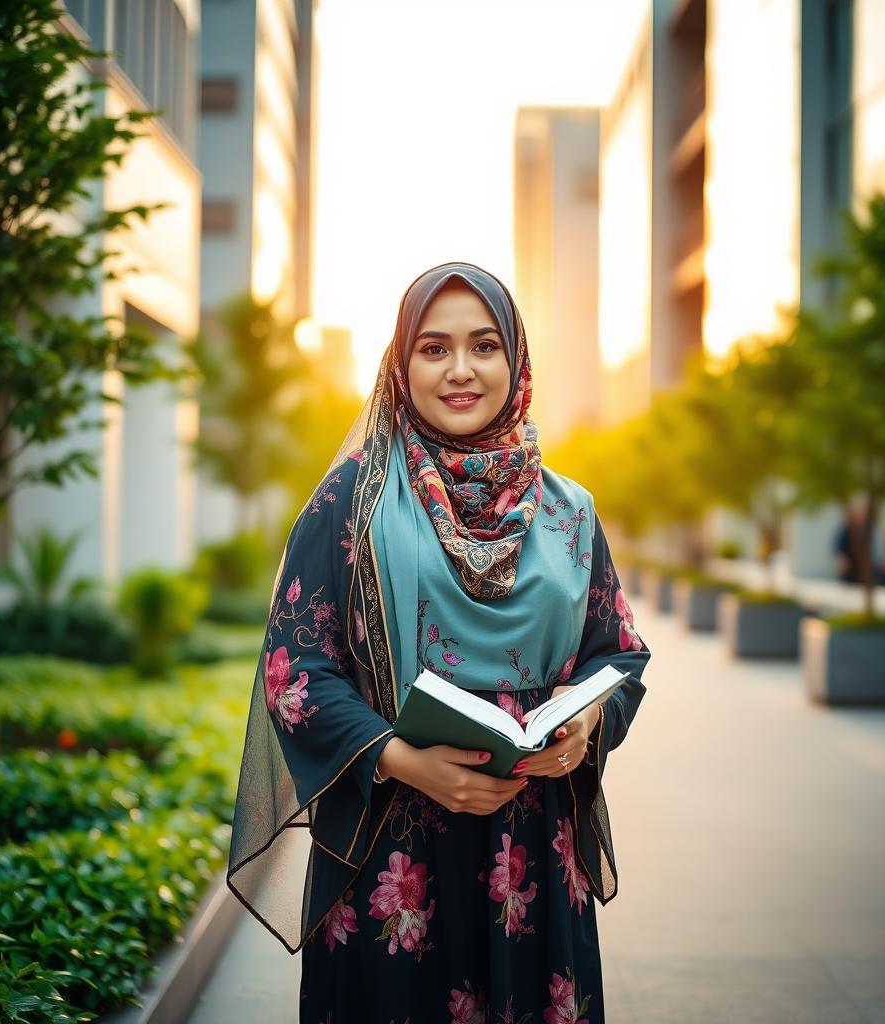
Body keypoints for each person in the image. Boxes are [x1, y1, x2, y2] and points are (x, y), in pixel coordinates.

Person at [227, 262, 653, 1023]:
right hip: (393, 850)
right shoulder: (349, 501)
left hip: (532, 850)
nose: (461, 370)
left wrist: (585, 724)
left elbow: (616, 651)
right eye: (434, 349)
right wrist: (408, 763)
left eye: (484, 346)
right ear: (401, 363)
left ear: (515, 360)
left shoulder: (570, 513)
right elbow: (295, 669)